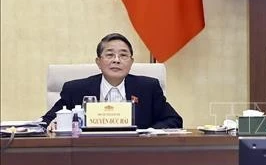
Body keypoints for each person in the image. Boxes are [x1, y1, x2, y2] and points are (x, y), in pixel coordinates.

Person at [41, 33, 183, 129]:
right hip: (88, 157)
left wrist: (145, 134)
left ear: (131, 62)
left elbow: (174, 121)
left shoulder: (148, 88)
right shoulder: (76, 90)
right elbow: (46, 122)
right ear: (98, 62)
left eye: (123, 55)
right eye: (109, 55)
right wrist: (55, 124)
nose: (116, 60)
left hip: (137, 156)